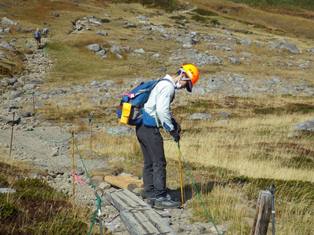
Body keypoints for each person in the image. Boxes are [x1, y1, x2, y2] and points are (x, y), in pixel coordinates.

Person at [136, 64, 200, 209]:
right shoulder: (168, 87)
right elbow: (161, 110)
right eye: (186, 84)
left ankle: (149, 191)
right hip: (150, 129)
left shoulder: (162, 83)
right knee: (159, 162)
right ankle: (160, 197)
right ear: (183, 75)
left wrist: (171, 122)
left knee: (150, 161)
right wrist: (172, 130)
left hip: (141, 128)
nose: (184, 87)